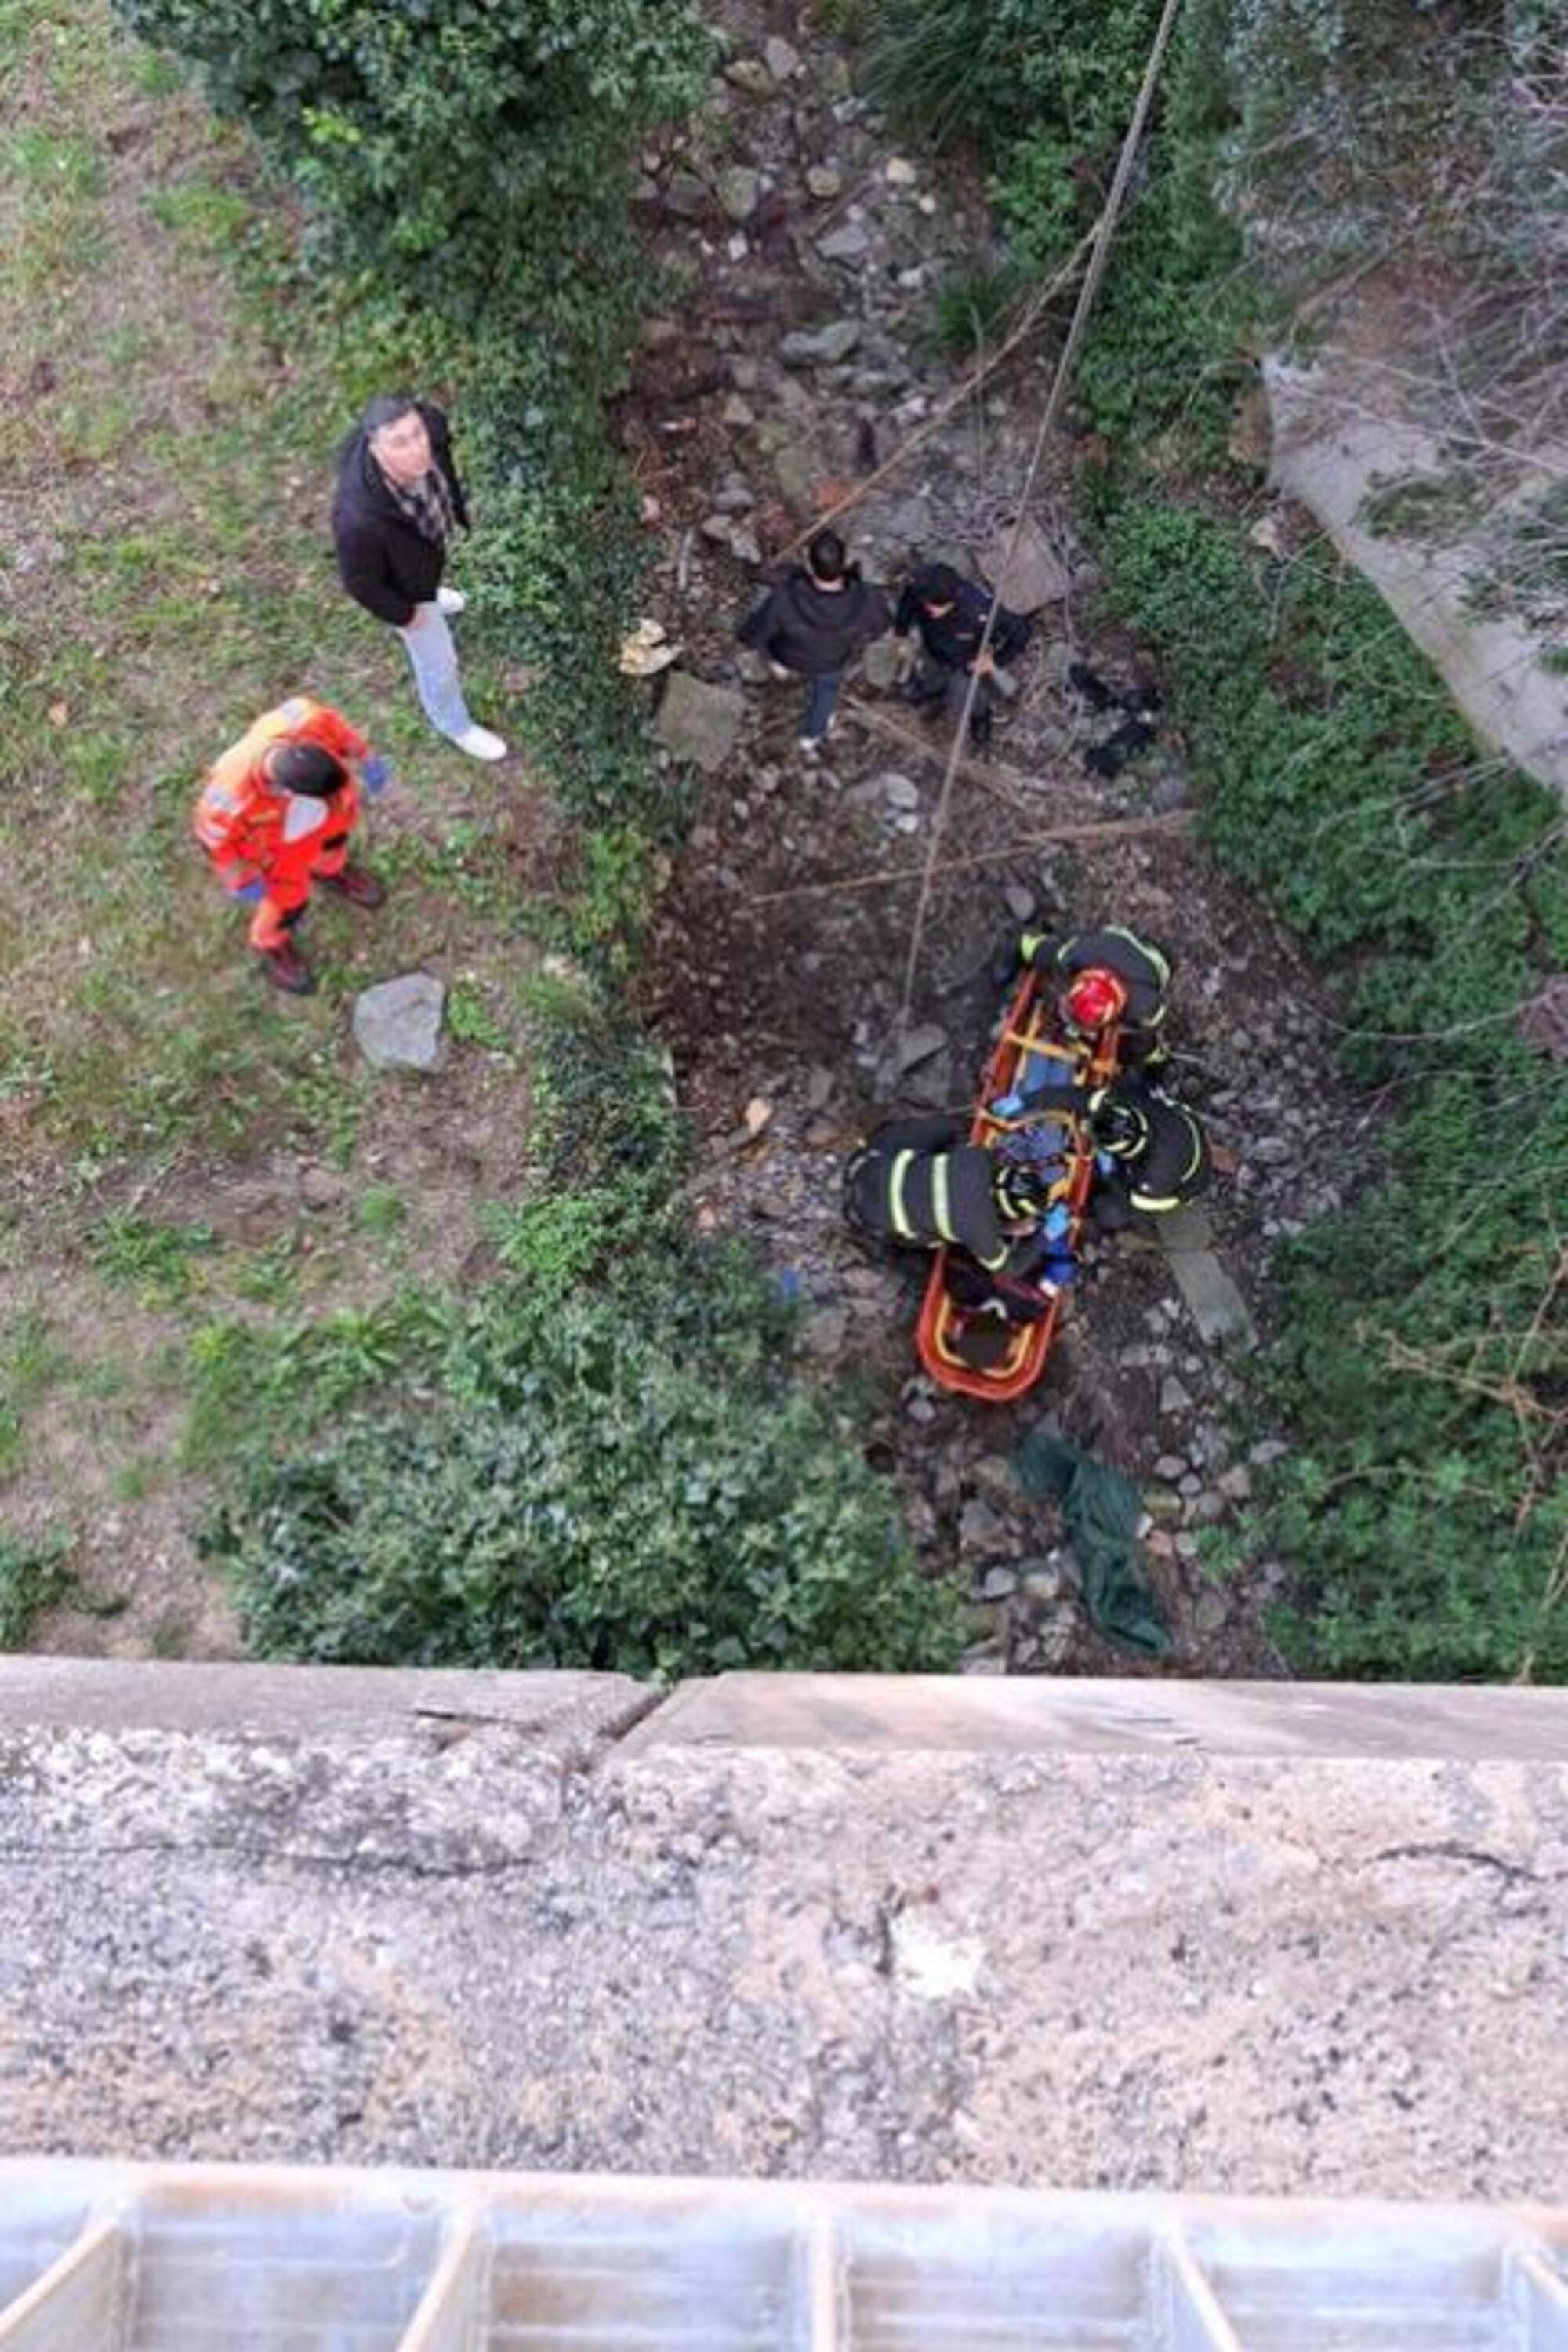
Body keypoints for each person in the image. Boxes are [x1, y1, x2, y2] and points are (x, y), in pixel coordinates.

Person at [332, 393, 507, 763]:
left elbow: (439, 459)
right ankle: (454, 723)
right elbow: (361, 584)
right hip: (405, 595)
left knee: (425, 571)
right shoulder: (357, 520)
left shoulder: (432, 428)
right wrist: (407, 616)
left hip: (422, 558)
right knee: (438, 663)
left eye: (417, 434)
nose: (418, 450)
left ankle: (431, 594)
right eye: (400, 443)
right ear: (376, 450)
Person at [194, 695, 389, 996]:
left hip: (326, 821)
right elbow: (217, 846)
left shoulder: (306, 720)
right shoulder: (228, 799)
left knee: (333, 845)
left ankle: (331, 872)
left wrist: (365, 757)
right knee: (289, 902)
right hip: (278, 845)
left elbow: (341, 733)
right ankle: (270, 943)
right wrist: (240, 879)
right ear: (285, 793)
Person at [843, 1116, 1076, 1323]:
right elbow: (1008, 1270)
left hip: (864, 1167)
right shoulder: (981, 1232)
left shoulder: (976, 1156)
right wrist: (1044, 1236)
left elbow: (972, 1189)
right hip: (868, 1217)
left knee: (946, 1131)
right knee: (931, 1236)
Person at [737, 528, 891, 753]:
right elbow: (881, 629)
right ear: (844, 563)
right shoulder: (867, 600)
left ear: (809, 566)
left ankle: (778, 672)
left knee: (763, 610)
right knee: (827, 691)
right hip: (832, 662)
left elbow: (751, 635)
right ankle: (812, 735)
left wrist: (771, 660)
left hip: (787, 657)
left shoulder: (785, 598)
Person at [994, 922, 1173, 1068]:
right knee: (1048, 954)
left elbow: (1144, 1039)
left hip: (1150, 961)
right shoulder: (1078, 953)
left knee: (1138, 1050)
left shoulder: (1146, 1009)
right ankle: (1018, 943)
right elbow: (1060, 958)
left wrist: (1144, 1059)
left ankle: (1156, 1062)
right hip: (1109, 944)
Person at [893, 561, 1031, 746]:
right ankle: (933, 697)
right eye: (925, 604)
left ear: (951, 601)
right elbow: (907, 604)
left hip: (967, 660)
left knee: (972, 698)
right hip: (933, 650)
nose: (927, 609)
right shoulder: (922, 586)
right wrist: (900, 632)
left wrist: (995, 660)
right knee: (930, 677)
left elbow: (1021, 631)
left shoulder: (980, 610)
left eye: (933, 607)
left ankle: (980, 720)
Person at [1085, 1073, 1212, 1227]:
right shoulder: (1151, 1110)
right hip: (1179, 1136)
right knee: (1128, 1081)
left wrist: (1110, 1177)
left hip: (1177, 1186)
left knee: (1110, 1212)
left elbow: (1134, 1201)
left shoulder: (1157, 1175)